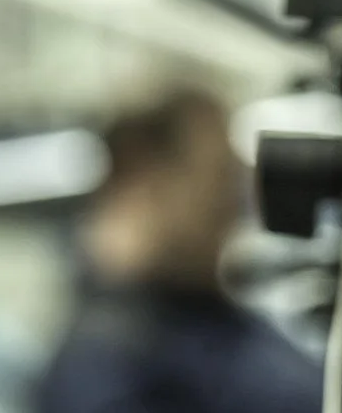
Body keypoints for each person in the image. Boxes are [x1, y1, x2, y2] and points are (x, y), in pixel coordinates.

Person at [33, 85, 322, 412]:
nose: (232, 213)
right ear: (142, 173)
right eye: (216, 183)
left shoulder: (209, 322)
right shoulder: (109, 363)